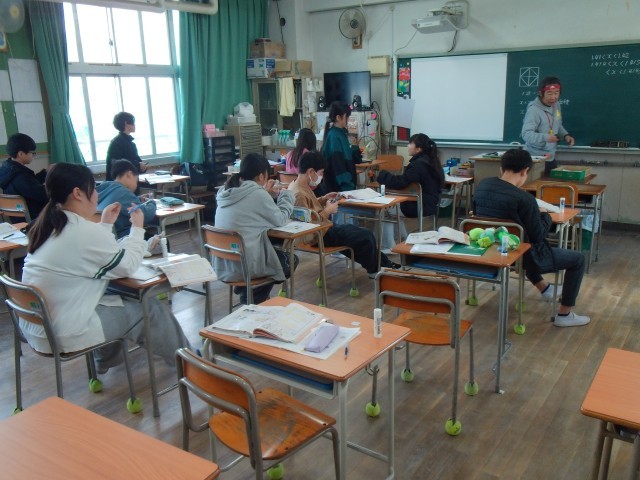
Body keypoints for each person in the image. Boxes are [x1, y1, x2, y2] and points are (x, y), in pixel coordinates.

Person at [21, 163, 191, 373]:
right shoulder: (80, 230)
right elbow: (127, 266)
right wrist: (137, 228)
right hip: (61, 331)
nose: (97, 195)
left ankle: (104, 361)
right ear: (78, 193)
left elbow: (88, 255)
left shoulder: (50, 225)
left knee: (115, 298)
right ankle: (191, 364)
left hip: (36, 325)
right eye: (93, 189)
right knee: (147, 308)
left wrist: (105, 225)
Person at [473, 149, 589, 327]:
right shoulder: (525, 199)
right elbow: (538, 236)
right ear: (525, 171)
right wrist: (545, 215)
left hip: (490, 249)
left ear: (501, 168)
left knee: (522, 241)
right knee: (577, 259)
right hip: (522, 256)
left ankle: (545, 288)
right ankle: (564, 315)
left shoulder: (483, 186)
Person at [288, 151, 400, 278]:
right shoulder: (299, 194)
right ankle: (376, 270)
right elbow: (307, 225)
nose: (321, 177)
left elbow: (309, 208)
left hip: (325, 229)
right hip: (318, 236)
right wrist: (328, 211)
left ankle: (384, 265)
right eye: (321, 173)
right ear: (311, 172)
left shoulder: (299, 185)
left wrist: (324, 198)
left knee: (362, 237)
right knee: (365, 236)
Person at [214, 153, 298, 304]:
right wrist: (287, 195)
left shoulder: (225, 191)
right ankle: (251, 301)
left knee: (273, 253)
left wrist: (265, 193)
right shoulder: (257, 194)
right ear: (261, 176)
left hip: (224, 264)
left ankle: (246, 290)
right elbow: (280, 219)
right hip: (246, 265)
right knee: (290, 261)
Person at [376, 133, 445, 249]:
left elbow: (400, 183)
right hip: (431, 205)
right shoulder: (431, 161)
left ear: (418, 149)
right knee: (394, 208)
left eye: (410, 144)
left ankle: (388, 246)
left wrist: (383, 175)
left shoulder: (418, 165)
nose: (407, 146)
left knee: (385, 209)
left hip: (419, 206)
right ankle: (404, 239)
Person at [521, 76, 575, 176]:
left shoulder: (556, 105)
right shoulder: (534, 110)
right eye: (549, 93)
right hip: (535, 158)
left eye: (556, 93)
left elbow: (557, 124)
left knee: (553, 183)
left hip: (550, 156)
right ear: (541, 93)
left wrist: (565, 135)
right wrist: (545, 137)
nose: (553, 97)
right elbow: (526, 134)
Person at [97, 159, 157, 239]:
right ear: (129, 174)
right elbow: (146, 215)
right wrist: (151, 202)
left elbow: (122, 202)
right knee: (162, 240)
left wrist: (137, 199)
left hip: (104, 235)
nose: (136, 185)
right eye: (136, 180)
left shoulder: (106, 188)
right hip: (121, 237)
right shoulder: (122, 192)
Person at [0, 133, 48, 221]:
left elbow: (30, 185)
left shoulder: (7, 170)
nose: (33, 155)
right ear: (21, 154)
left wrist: (45, 173)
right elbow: (43, 195)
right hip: (34, 219)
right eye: (32, 153)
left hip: (18, 219)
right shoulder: (20, 176)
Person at [321, 101, 357, 193]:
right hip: (339, 189)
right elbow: (338, 165)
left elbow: (345, 156)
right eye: (346, 117)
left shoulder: (341, 133)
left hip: (344, 188)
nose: (348, 119)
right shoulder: (334, 136)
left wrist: (354, 152)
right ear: (338, 117)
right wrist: (348, 188)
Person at [105, 112, 148, 181]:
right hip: (118, 183)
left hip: (130, 181)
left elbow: (137, 161)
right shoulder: (116, 142)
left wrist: (142, 167)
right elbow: (117, 163)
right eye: (133, 122)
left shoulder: (131, 143)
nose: (135, 125)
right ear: (126, 123)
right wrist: (138, 165)